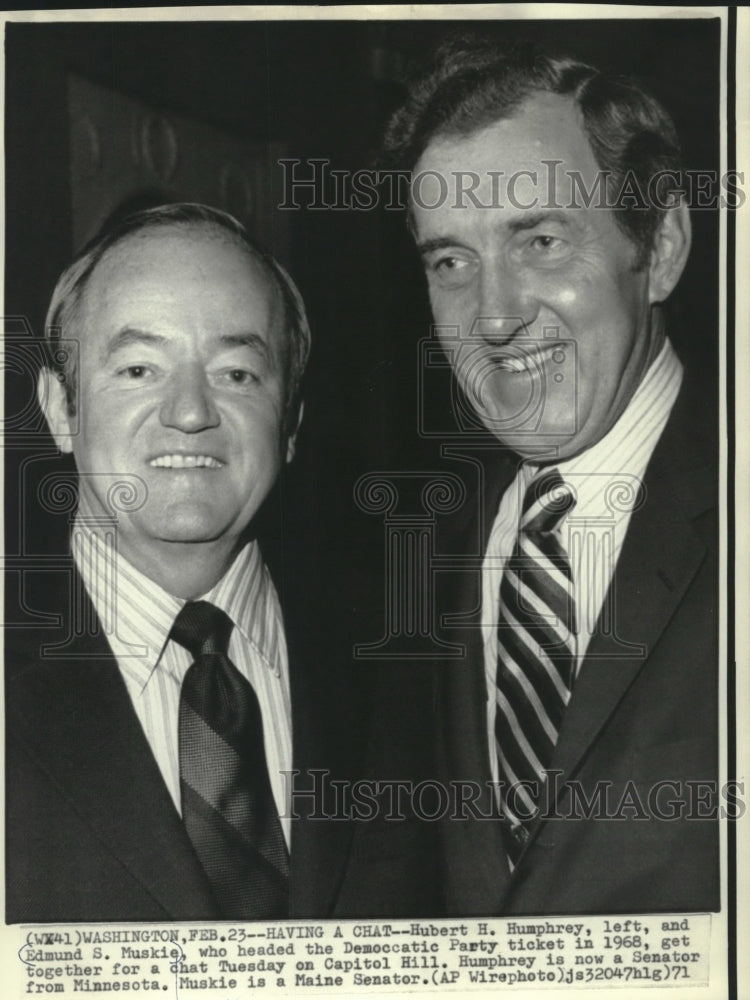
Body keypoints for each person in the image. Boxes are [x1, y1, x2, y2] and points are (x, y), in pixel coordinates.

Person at [6, 202, 439, 922]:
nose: (189, 411)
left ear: (291, 419)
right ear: (59, 407)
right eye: (139, 367)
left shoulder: (415, 666)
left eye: (237, 373)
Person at [383, 38, 719, 914]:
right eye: (451, 262)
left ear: (665, 244)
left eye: (539, 239)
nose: (492, 317)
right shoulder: (421, 551)